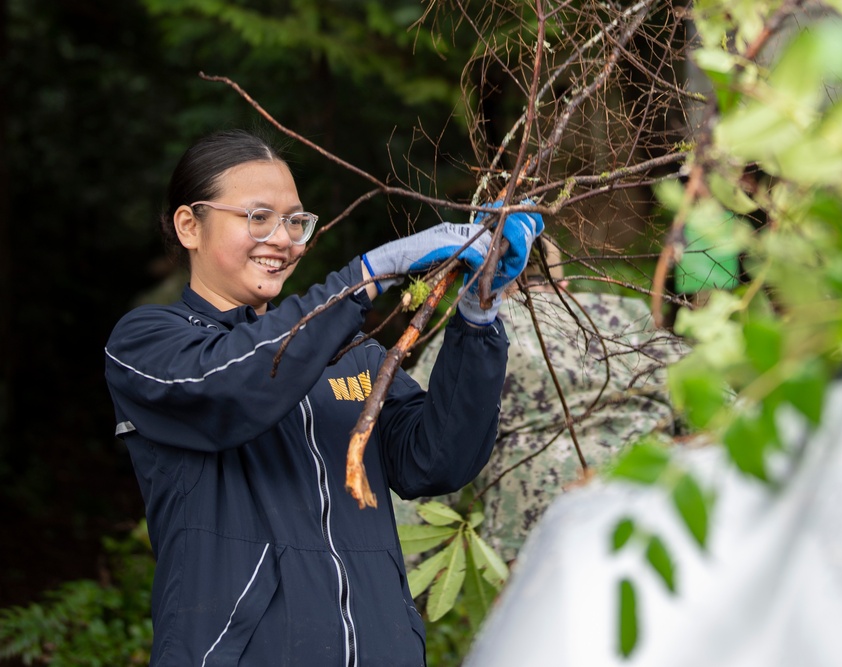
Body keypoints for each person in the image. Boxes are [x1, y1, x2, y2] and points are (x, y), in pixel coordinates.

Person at [103, 128, 542, 666]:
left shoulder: (349, 351)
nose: (283, 238)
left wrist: (478, 315)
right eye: (257, 218)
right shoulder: (149, 342)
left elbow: (433, 461)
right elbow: (231, 386)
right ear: (190, 226)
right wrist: (366, 277)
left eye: (295, 221)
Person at [395, 241, 688, 564]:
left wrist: (404, 594)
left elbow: (427, 455)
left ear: (481, 283)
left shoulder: (476, 336)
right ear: (562, 284)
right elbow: (717, 411)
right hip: (658, 518)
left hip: (540, 548)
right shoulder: (633, 319)